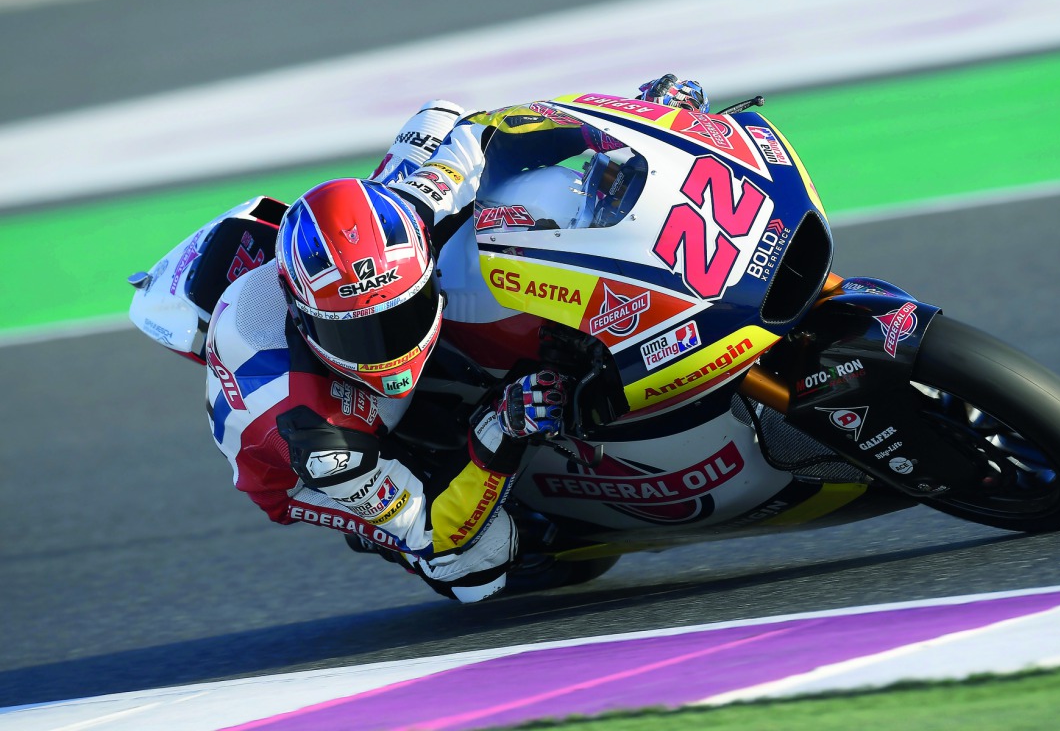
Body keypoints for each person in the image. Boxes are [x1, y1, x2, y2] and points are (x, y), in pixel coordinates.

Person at [129, 75, 708, 603]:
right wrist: (501, 428)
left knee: (503, 187)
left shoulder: (411, 205)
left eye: (399, 317)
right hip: (308, 448)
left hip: (349, 271)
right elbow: (436, 529)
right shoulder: (316, 438)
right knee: (474, 565)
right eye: (358, 332)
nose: (387, 349)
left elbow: (482, 130)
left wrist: (647, 123)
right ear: (306, 320)